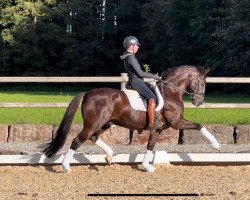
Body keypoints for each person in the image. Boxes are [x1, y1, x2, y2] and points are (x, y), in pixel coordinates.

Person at [120, 36, 162, 130]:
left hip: (136, 81)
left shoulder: (129, 56)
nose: (138, 47)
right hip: (136, 82)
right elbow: (140, 73)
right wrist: (155, 76)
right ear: (131, 46)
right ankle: (151, 124)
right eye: (136, 45)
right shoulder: (131, 58)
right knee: (152, 98)